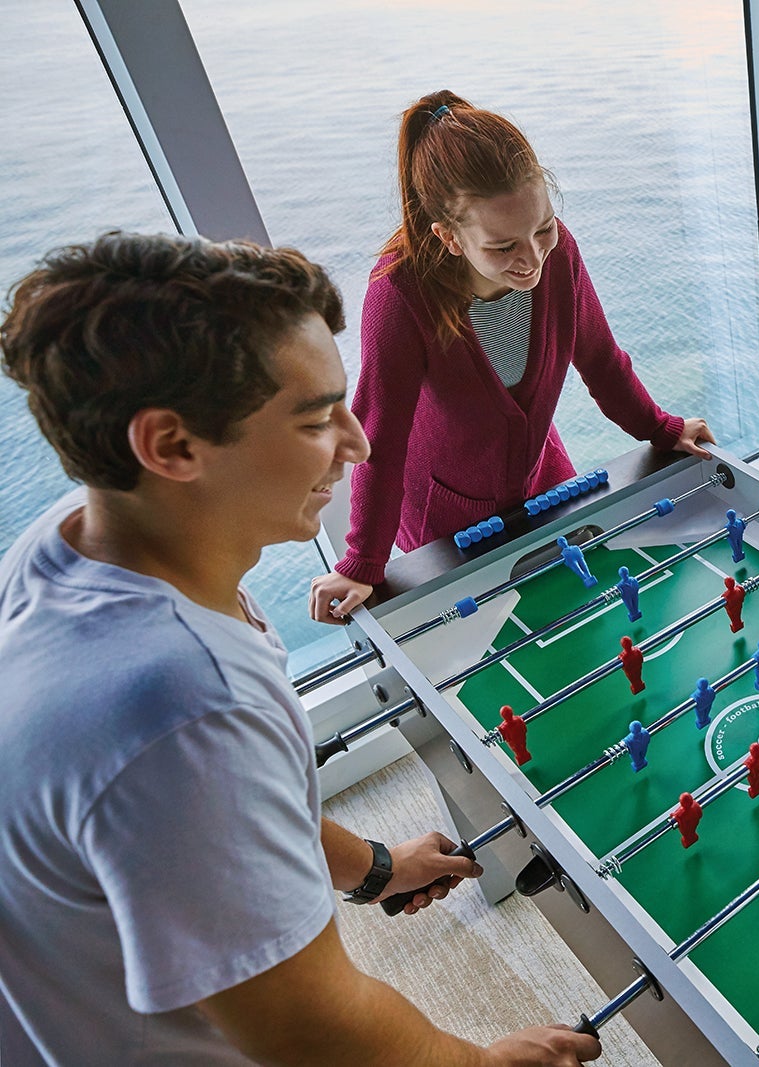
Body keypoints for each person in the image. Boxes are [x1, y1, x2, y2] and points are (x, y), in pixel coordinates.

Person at [0, 232, 600, 1066]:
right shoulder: (184, 705)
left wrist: (374, 867)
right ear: (171, 447)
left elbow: (221, 814)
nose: (356, 444)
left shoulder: (68, 542)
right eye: (319, 417)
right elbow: (315, 1028)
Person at [310, 90, 714, 622]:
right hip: (443, 515)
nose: (532, 259)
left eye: (542, 228)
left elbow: (600, 358)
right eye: (503, 247)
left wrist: (662, 428)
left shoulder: (558, 251)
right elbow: (380, 438)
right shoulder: (399, 293)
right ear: (448, 237)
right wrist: (362, 562)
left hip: (543, 476)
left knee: (580, 615)